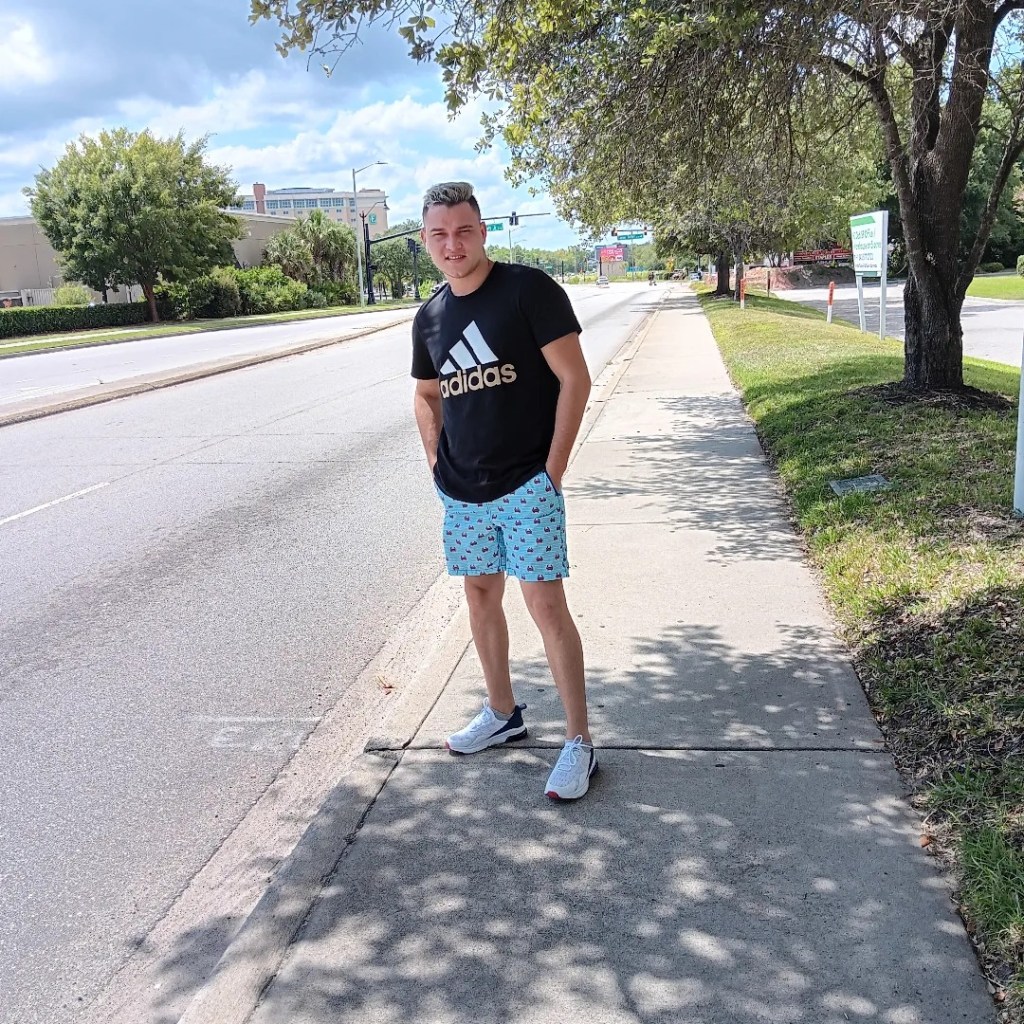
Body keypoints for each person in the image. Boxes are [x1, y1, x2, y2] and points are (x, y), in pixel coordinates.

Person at [411, 181, 598, 801]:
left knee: (546, 607)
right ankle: (502, 713)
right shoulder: (431, 316)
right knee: (480, 597)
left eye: (463, 230)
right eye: (439, 234)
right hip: (462, 493)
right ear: (425, 241)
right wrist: (437, 461)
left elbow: (574, 378)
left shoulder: (527, 290)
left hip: (527, 485)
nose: (452, 244)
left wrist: (553, 471)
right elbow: (426, 394)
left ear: (483, 230)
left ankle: (578, 742)